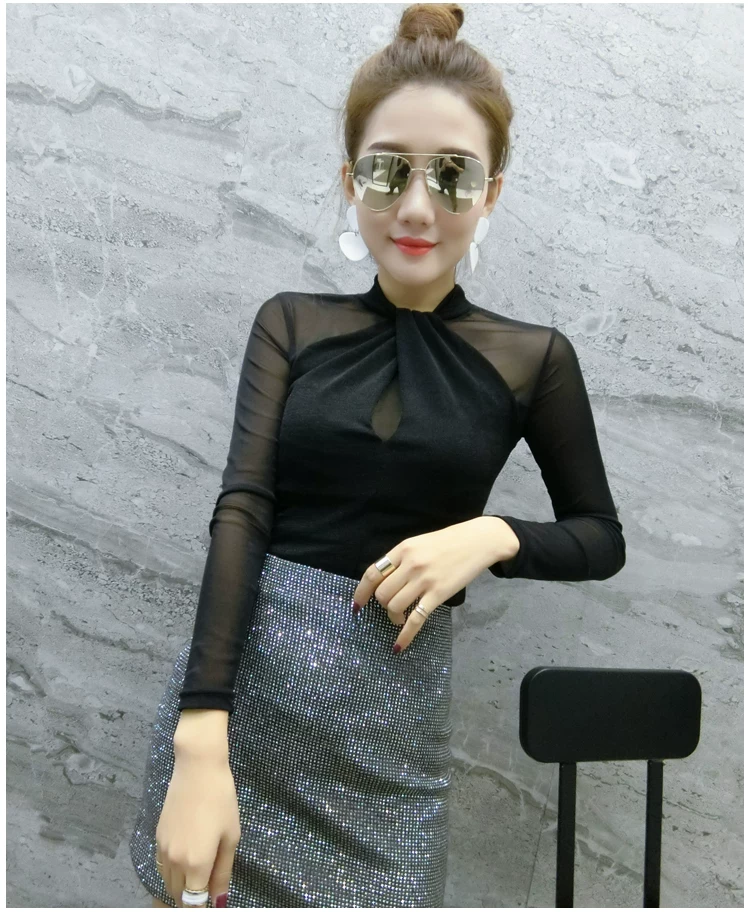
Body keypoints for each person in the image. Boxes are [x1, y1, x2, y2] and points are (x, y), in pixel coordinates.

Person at [129, 3, 626, 908]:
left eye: (453, 175)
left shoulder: (535, 360)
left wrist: (493, 535)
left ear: (492, 191)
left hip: (391, 742)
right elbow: (243, 511)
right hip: (238, 719)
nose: (417, 206)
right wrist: (200, 741)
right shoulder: (291, 324)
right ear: (349, 181)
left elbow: (601, 537)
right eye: (387, 169)